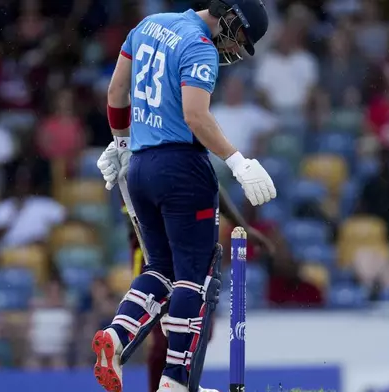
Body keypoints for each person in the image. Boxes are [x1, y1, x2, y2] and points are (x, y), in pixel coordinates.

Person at [93, 2, 276, 392]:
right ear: (228, 15)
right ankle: (175, 382)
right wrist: (238, 162)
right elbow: (195, 116)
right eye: (240, 36)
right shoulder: (199, 46)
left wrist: (123, 142)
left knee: (159, 269)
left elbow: (116, 91)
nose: (234, 47)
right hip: (183, 169)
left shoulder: (149, 24)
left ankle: (116, 337)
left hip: (141, 168)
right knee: (194, 277)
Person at [125, 186, 274, 392]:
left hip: (187, 237)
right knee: (165, 336)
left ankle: (182, 384)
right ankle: (168, 385)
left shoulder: (189, 164)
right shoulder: (140, 162)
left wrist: (241, 225)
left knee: (199, 327)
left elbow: (208, 180)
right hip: (154, 248)